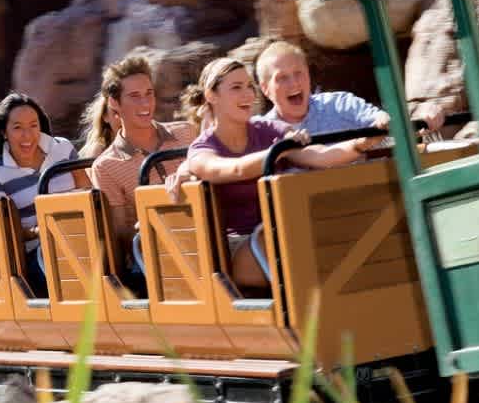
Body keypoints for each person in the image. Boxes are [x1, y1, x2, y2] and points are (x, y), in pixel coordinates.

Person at [166, 58, 380, 289]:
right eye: (236, 88)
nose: (248, 95)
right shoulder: (201, 149)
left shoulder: (267, 129)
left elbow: (318, 157)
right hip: (238, 246)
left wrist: (362, 143)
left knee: (319, 226)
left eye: (249, 86)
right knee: (282, 239)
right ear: (211, 95)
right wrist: (276, 151)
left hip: (284, 232)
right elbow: (235, 169)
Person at [90, 57, 198, 288]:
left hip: (203, 236)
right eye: (134, 96)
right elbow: (123, 235)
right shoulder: (106, 166)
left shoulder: (187, 133)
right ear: (115, 103)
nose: (145, 103)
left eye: (149, 93)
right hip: (155, 258)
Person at [0, 93, 91, 297]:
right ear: (4, 132)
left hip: (80, 237)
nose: (27, 135)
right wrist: (38, 230)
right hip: (37, 251)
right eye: (18, 127)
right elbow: (2, 232)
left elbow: (87, 192)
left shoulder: (63, 148)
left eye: (33, 125)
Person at [255, 41, 444, 135]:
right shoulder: (261, 132)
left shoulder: (340, 105)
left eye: (298, 73)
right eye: (282, 78)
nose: (294, 83)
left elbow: (382, 121)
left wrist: (421, 116)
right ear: (265, 89)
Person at [78, 94, 121, 158]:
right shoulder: (98, 152)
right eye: (116, 112)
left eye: (128, 111)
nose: (123, 118)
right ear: (105, 116)